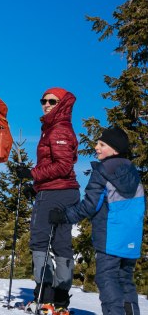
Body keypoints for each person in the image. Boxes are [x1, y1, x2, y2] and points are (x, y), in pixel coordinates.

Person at [49, 127, 144, 315]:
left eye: (102, 144)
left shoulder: (103, 170)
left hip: (111, 237)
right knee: (125, 280)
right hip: (131, 236)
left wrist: (64, 216)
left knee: (107, 278)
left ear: (114, 150)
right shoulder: (132, 172)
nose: (96, 147)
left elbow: (90, 206)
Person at [14, 88, 80, 314]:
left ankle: (44, 297)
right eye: (43, 100)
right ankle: (60, 300)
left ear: (62, 104)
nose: (46, 104)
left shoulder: (58, 129)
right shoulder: (56, 127)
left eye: (52, 101)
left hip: (55, 193)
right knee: (61, 244)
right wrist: (36, 186)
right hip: (63, 191)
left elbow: (63, 166)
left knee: (40, 242)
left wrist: (33, 175)